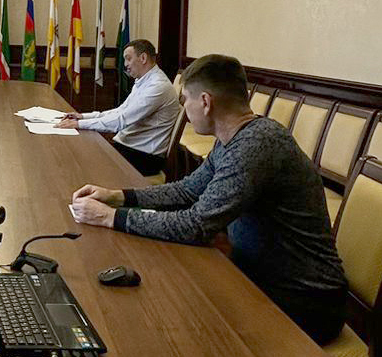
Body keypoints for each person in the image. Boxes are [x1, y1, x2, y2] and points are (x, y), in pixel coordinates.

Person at [70, 54, 348, 345]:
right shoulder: (235, 137)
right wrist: (118, 196)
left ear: (205, 102)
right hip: (261, 278)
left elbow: (197, 225)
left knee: (174, 324)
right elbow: (188, 190)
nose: (184, 108)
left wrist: (110, 217)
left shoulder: (256, 145)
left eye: (185, 100)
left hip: (305, 300)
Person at [57, 39, 179, 176]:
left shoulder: (157, 86)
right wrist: (83, 117)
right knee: (80, 152)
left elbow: (121, 120)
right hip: (130, 148)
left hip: (144, 157)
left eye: (128, 59)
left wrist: (79, 124)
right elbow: (120, 111)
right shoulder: (144, 80)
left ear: (143, 58)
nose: (125, 64)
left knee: (82, 159)